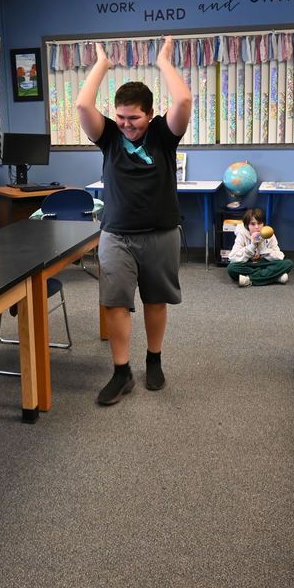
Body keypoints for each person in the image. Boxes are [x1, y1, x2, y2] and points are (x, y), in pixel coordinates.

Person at [76, 36, 191, 406]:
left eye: (134, 118)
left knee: (155, 301)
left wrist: (164, 63)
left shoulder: (163, 136)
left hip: (160, 233)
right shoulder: (107, 136)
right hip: (116, 235)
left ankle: (153, 361)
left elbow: (184, 100)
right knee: (115, 302)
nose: (126, 125)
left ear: (150, 115)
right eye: (121, 117)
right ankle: (121, 371)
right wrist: (101, 65)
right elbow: (82, 103)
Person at [227, 208, 292, 286]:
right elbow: (232, 257)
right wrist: (252, 246)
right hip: (249, 265)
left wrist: (263, 249)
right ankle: (274, 277)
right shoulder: (242, 235)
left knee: (288, 263)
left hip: (264, 264)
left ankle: (249, 279)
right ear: (247, 225)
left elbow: (280, 256)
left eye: (260, 223)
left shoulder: (269, 234)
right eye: (253, 224)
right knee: (231, 268)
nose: (257, 227)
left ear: (263, 224)